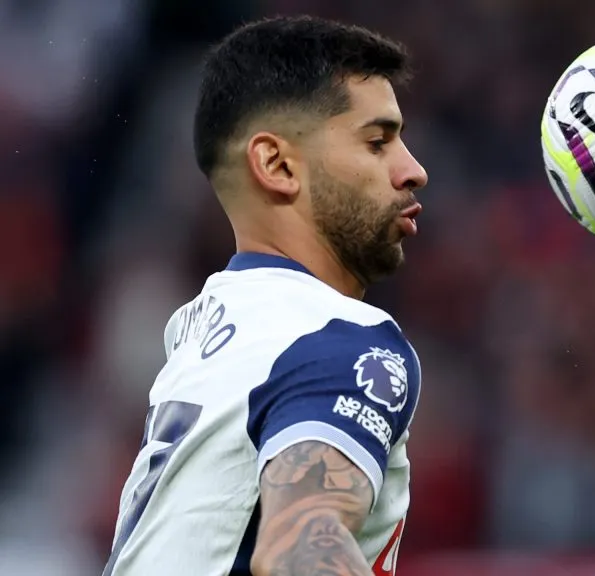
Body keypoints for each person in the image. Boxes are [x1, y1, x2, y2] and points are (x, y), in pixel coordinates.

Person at [103, 15, 428, 576]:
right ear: (276, 165)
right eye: (377, 142)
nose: (413, 170)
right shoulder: (341, 341)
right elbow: (297, 552)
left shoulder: (207, 326)